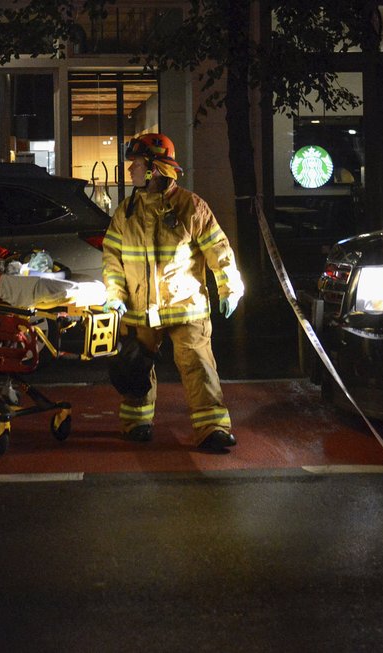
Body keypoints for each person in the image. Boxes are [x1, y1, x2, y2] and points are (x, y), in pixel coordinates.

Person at [101, 133, 245, 451]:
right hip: (139, 310)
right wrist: (114, 295)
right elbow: (112, 260)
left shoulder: (191, 206)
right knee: (136, 365)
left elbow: (219, 250)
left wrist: (230, 287)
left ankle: (212, 429)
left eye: (135, 164)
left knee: (198, 365)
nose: (130, 171)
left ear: (154, 168)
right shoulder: (125, 212)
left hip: (186, 308)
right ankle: (136, 422)